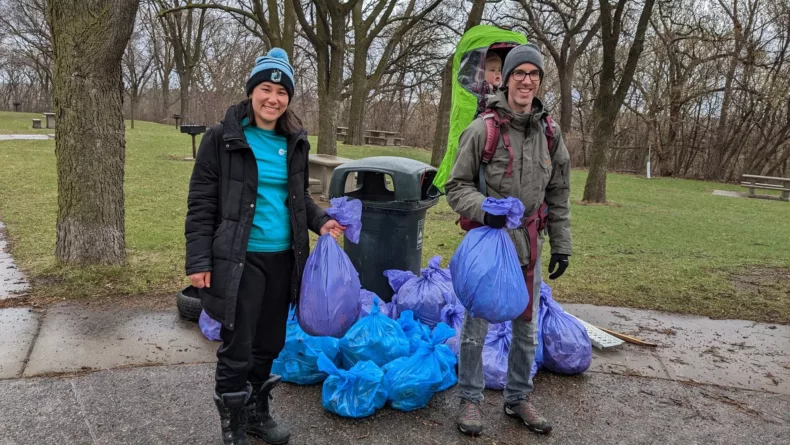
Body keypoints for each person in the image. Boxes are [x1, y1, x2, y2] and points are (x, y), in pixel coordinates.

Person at [185, 47, 345, 445]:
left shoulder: (294, 141)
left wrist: (321, 220)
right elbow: (201, 203)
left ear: (289, 99)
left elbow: (297, 199)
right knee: (238, 343)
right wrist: (199, 260)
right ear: (252, 91)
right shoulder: (222, 138)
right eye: (266, 88)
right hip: (238, 260)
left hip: (285, 260)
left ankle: (257, 412)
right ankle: (233, 422)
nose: (273, 98)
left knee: (270, 341)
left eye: (282, 92)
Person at [445, 43, 572, 437]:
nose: (527, 81)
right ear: (506, 78)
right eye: (520, 73)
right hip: (490, 243)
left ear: (539, 82)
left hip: (530, 244)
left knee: (525, 326)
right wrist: (487, 208)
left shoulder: (550, 132)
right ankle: (469, 399)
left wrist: (562, 243)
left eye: (534, 75)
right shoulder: (483, 129)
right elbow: (455, 187)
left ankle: (518, 398)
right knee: (476, 324)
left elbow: (559, 194)